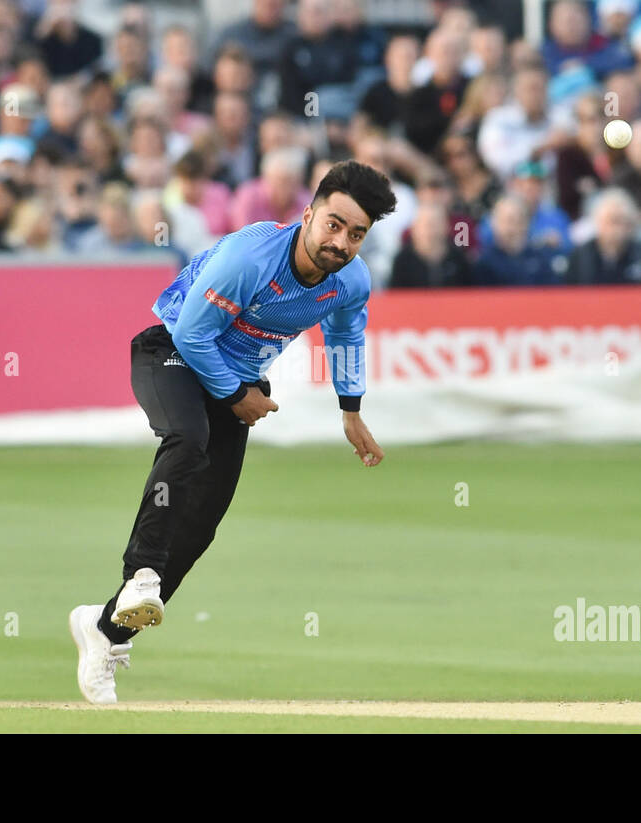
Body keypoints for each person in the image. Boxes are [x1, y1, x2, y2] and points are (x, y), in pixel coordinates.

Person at [69, 160, 396, 704]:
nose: (341, 242)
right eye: (334, 225)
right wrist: (239, 396)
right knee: (187, 441)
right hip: (170, 351)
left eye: (356, 234)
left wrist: (351, 409)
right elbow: (195, 335)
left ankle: (104, 631)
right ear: (309, 215)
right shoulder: (251, 257)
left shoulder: (349, 279)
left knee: (201, 525)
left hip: (235, 380)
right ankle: (141, 575)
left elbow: (345, 337)